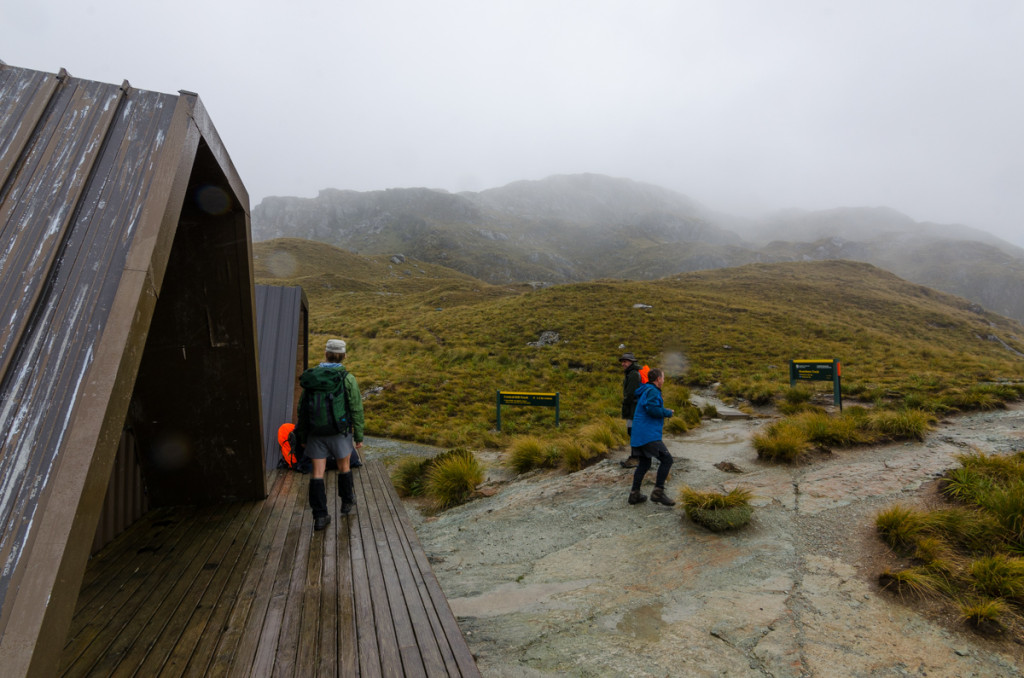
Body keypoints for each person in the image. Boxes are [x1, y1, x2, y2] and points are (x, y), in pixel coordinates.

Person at [296, 338, 365, 531]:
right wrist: (358, 435)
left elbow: (302, 410)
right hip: (339, 432)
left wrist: (302, 437)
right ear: (344, 356)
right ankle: (346, 502)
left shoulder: (312, 378)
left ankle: (320, 516)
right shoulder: (347, 378)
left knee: (317, 473)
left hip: (315, 433)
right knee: (344, 467)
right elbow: (356, 408)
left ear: (325, 354)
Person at [628, 368, 676, 507]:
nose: (664, 380)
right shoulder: (653, 391)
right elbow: (652, 409)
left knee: (644, 464)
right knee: (667, 460)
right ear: (658, 379)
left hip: (639, 435)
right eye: (663, 377)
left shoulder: (645, 390)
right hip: (648, 435)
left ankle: (634, 494)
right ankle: (658, 493)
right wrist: (667, 412)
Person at [619, 353, 642, 468]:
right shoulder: (631, 373)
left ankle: (635, 457)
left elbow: (630, 393)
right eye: (623, 361)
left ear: (632, 362)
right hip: (634, 407)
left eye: (626, 361)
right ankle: (637, 456)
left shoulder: (633, 374)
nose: (623, 363)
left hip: (634, 408)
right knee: (633, 431)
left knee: (633, 431)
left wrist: (625, 403)